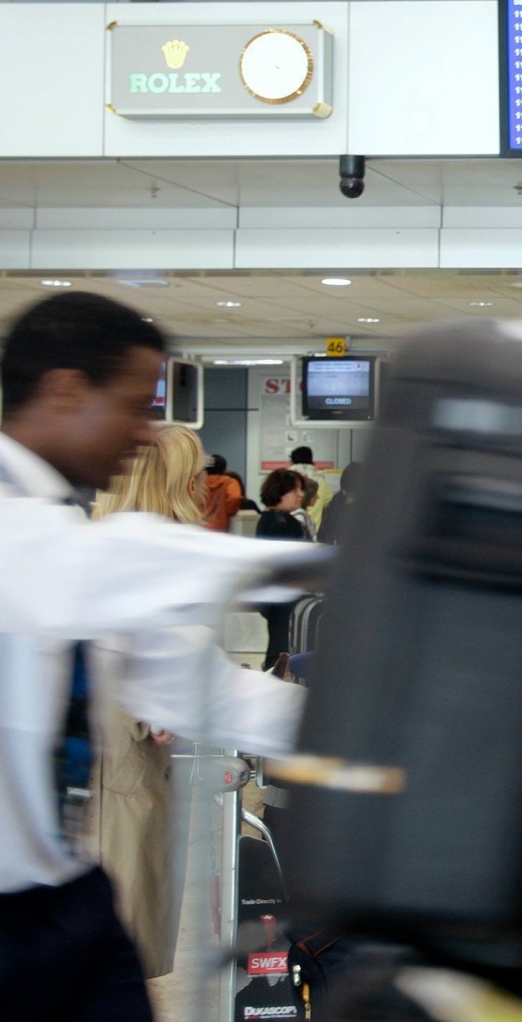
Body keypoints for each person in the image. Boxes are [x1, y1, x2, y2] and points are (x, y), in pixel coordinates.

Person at [0, 292, 311, 1021]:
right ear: (67, 391)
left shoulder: (65, 532)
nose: (144, 433)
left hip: (63, 900)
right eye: (135, 406)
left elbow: (193, 687)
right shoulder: (41, 539)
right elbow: (83, 566)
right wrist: (321, 564)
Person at [88, 425, 212, 986]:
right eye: (197, 472)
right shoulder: (149, 553)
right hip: (124, 753)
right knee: (125, 902)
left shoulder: (99, 541)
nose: (206, 482)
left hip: (103, 749)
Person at [255, 469, 312, 670]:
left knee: (277, 644)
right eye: (295, 490)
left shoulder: (267, 520)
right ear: (280, 491)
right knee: (283, 648)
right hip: (286, 594)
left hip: (274, 594)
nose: (300, 495)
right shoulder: (284, 523)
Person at [286, 446, 334, 532]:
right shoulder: (321, 480)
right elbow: (329, 502)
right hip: (313, 530)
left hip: (288, 528)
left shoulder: (287, 478)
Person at [200, 453, 242, 532]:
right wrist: (228, 511)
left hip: (198, 526)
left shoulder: (199, 483)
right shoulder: (229, 482)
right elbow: (235, 498)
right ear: (225, 469)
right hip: (219, 528)